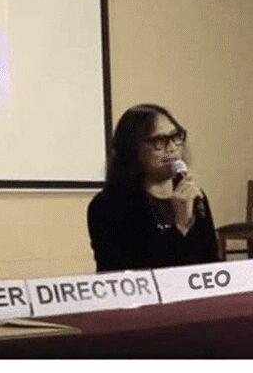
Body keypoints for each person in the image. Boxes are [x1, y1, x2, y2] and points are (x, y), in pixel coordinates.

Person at [88, 104, 219, 272]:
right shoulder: (108, 206)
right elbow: (132, 272)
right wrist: (179, 227)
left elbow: (209, 263)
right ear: (132, 148)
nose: (171, 148)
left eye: (176, 137)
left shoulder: (193, 197)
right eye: (159, 141)